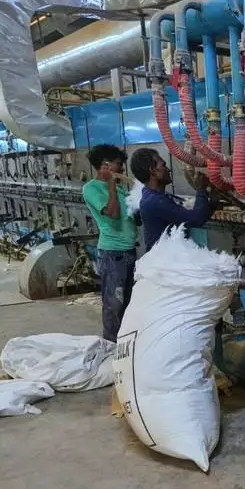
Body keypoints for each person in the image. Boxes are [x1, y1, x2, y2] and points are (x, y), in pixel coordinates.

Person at [82, 144, 137, 342]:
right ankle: (111, 345)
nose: (122, 168)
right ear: (106, 166)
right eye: (119, 164)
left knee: (129, 303)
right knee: (114, 304)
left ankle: (126, 345)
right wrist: (112, 186)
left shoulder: (121, 188)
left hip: (129, 251)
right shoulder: (91, 189)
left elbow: (133, 218)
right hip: (113, 254)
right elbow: (112, 214)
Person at [128, 148, 216, 252]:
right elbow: (196, 219)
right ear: (152, 170)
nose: (168, 169)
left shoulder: (150, 194)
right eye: (163, 165)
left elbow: (196, 215)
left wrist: (212, 204)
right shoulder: (155, 201)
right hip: (164, 262)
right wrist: (201, 188)